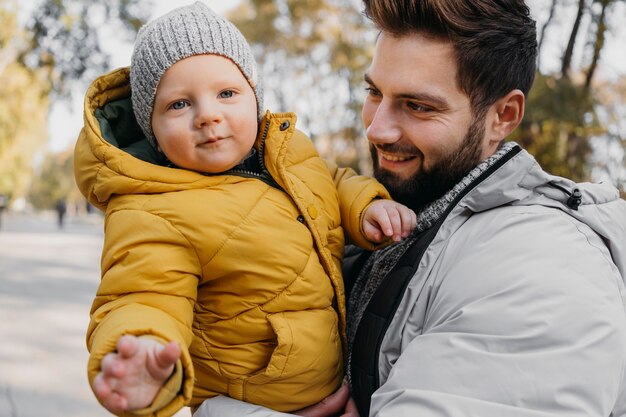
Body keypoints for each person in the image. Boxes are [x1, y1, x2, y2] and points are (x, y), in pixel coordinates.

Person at [194, 0, 626, 416]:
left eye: (418, 106)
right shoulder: (389, 222)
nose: (377, 128)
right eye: (374, 92)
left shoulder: (543, 268)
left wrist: (203, 411)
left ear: (503, 116)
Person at [73, 2, 416, 417]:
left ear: (254, 98)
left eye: (227, 93)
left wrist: (366, 207)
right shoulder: (153, 210)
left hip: (333, 383)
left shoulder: (286, 152)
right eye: (179, 104)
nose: (208, 115)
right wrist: (143, 347)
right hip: (256, 404)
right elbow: (144, 294)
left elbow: (332, 180)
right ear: (154, 132)